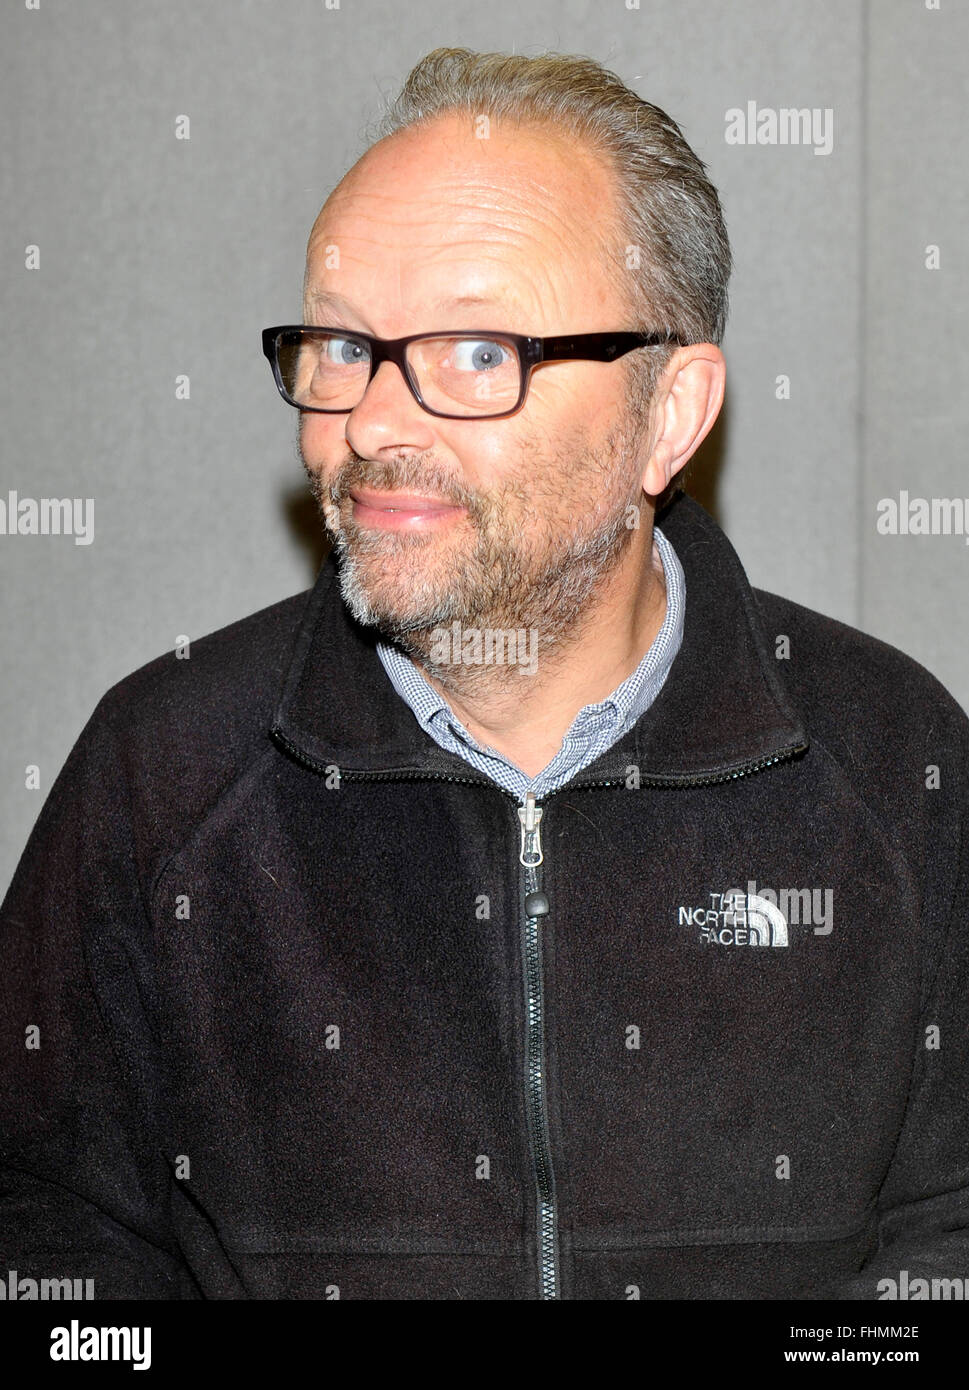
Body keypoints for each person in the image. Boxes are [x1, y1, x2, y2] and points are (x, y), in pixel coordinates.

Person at [2, 46, 967, 1302]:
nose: (373, 426)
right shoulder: (161, 774)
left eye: (474, 351)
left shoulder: (898, 764)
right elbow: (45, 1241)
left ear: (668, 414)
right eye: (342, 346)